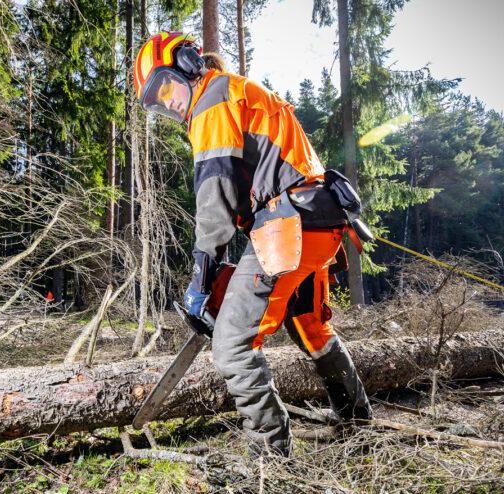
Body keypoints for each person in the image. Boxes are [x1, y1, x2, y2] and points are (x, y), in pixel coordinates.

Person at [133, 32, 372, 457]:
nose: (167, 102)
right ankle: (357, 420)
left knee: (231, 346)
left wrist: (200, 282)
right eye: (157, 99)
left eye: (166, 87)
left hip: (290, 227)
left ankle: (270, 457)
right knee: (310, 327)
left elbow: (214, 204)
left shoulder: (212, 99)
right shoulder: (237, 93)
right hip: (319, 223)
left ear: (187, 64)